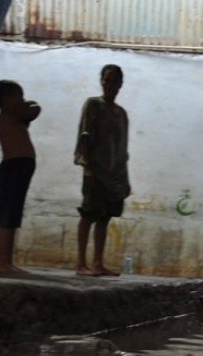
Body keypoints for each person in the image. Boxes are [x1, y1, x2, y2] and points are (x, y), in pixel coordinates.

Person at [74, 64, 131, 276]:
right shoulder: (93, 105)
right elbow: (85, 135)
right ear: (102, 82)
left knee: (105, 217)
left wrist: (123, 177)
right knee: (89, 213)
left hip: (114, 173)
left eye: (115, 81)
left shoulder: (120, 114)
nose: (110, 85)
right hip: (95, 169)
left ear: (120, 84)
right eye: (107, 80)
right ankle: (81, 262)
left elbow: (122, 147)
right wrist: (87, 166)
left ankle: (98, 262)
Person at [0, 80, 40, 275]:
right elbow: (34, 111)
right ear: (6, 100)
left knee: (11, 217)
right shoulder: (9, 113)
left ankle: (6, 262)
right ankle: (2, 263)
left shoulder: (15, 115)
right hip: (13, 167)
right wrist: (32, 104)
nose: (22, 99)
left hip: (18, 167)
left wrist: (26, 104)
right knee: (8, 217)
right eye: (18, 96)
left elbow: (30, 114)